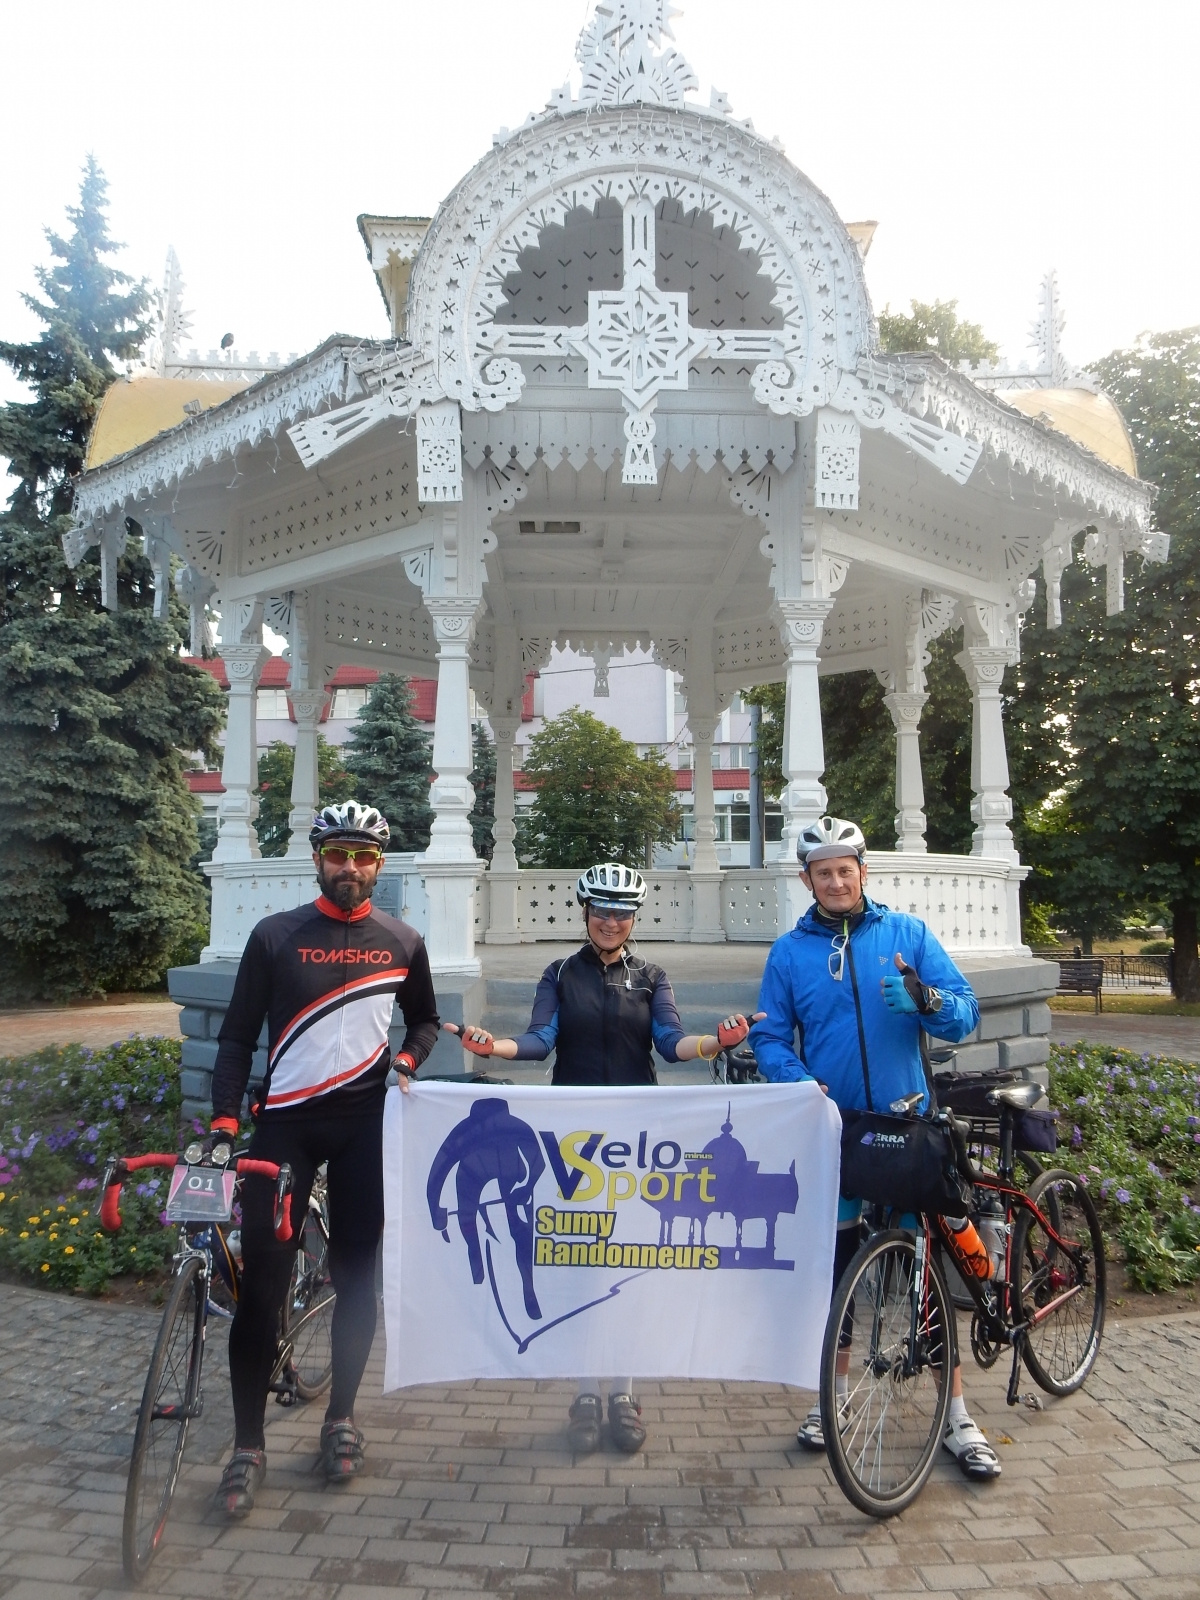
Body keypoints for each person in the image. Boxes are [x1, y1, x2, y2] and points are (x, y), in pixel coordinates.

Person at [445, 860, 763, 1456]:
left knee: (626, 1259)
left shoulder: (652, 976)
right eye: (601, 911)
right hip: (576, 1143)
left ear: (634, 918)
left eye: (621, 913)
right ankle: (586, 1392)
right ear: (585, 912)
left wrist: (715, 1042)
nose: (611, 921)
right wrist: (497, 1045)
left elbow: (670, 1043)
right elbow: (541, 1040)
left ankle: (624, 1393)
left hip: (635, 1140)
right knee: (581, 1260)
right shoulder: (560, 973)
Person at [749, 817, 1001, 1481]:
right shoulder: (789, 953)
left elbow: (966, 1013)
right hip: (836, 1130)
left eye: (845, 870)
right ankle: (830, 1403)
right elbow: (769, 1037)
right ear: (806, 880)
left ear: (863, 872)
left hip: (907, 1127)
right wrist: (794, 1078)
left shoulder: (907, 934)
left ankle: (958, 1418)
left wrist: (924, 997)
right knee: (837, 1276)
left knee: (924, 1278)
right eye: (822, 872)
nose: (835, 881)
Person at [207, 802, 440, 1517]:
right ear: (317, 858)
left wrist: (407, 1059)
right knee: (261, 1291)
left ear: (380, 864)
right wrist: (223, 1123)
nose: (350, 867)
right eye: (339, 853)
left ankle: (341, 1418)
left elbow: (425, 1020)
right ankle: (248, 1446)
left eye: (364, 856)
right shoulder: (275, 936)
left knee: (358, 1279)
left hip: (363, 1127)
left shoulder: (402, 940)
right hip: (286, 1129)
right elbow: (237, 1037)